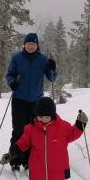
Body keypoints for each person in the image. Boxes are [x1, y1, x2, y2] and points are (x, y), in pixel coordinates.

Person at [4, 32, 57, 171]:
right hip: (19, 99)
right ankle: (15, 159)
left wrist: (53, 68)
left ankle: (29, 159)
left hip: (36, 101)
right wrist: (12, 83)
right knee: (19, 130)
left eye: (33, 44)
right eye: (28, 44)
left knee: (33, 131)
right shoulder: (17, 58)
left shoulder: (43, 59)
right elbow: (10, 74)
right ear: (24, 45)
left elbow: (52, 78)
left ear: (37, 45)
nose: (31, 46)